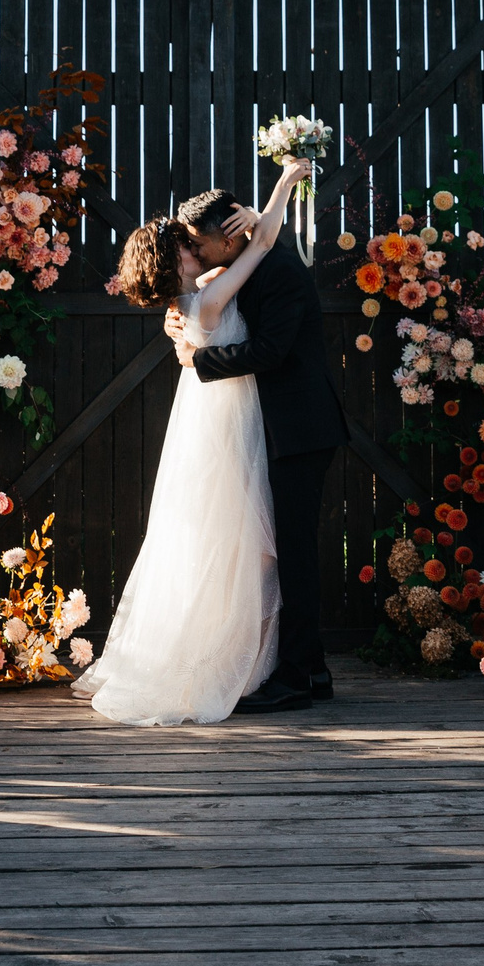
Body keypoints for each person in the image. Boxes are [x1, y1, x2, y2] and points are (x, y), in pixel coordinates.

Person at [77, 159, 314, 725]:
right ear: (177, 262)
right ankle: (236, 658)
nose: (197, 251)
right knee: (237, 546)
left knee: (220, 543)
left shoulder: (193, 299)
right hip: (231, 427)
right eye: (187, 249)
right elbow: (260, 245)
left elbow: (254, 247)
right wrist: (282, 187)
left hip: (215, 424)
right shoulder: (204, 299)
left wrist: (277, 192)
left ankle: (253, 657)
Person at [154, 165, 349, 714]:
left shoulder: (281, 270)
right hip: (274, 430)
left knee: (293, 553)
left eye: (198, 239)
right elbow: (256, 242)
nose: (194, 247)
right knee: (284, 552)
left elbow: (271, 353)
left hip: (301, 429)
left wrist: (198, 358)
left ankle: (293, 677)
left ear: (230, 232)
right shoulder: (245, 262)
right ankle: (312, 670)